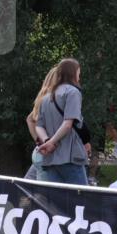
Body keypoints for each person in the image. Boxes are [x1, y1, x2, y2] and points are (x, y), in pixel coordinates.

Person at [30, 58, 89, 186]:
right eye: (79, 72)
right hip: (70, 157)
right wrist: (52, 142)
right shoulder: (72, 92)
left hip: (49, 158)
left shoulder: (46, 97)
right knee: (80, 196)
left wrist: (46, 141)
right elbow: (68, 124)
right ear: (73, 72)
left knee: (54, 197)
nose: (79, 76)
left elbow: (38, 126)